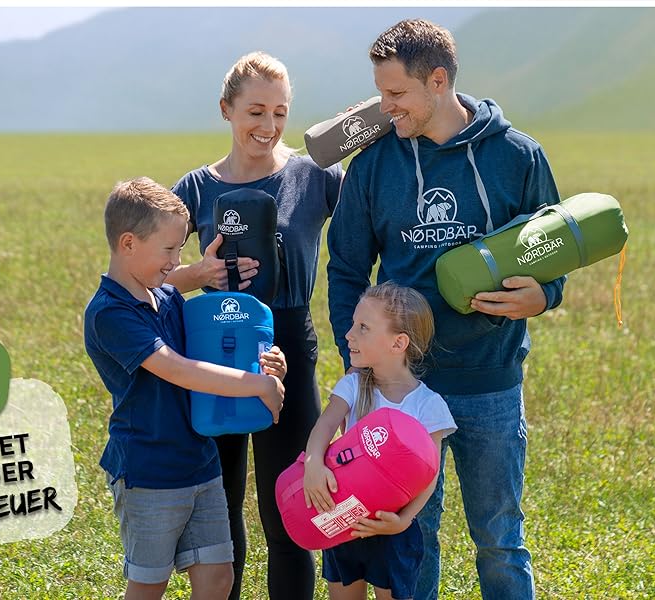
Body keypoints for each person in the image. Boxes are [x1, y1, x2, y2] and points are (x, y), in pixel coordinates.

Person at [326, 19, 564, 599]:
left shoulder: (518, 156)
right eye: (380, 93)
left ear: (438, 81)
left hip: (491, 385)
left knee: (500, 539)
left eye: (396, 94)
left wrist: (544, 296)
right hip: (403, 391)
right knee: (412, 538)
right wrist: (359, 363)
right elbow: (347, 271)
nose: (383, 108)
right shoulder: (374, 164)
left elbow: (554, 253)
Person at [168, 51, 344, 598]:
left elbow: (375, 219)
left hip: (289, 342)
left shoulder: (316, 176)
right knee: (221, 511)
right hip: (214, 347)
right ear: (226, 110)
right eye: (255, 112)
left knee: (289, 505)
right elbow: (146, 277)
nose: (268, 127)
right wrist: (199, 272)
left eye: (280, 113)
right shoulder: (195, 189)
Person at [83, 176, 287, 600]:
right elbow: (176, 369)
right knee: (148, 585)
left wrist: (267, 363)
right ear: (128, 244)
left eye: (179, 249)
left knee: (218, 579)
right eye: (169, 250)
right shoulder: (109, 314)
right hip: (149, 469)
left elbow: (215, 346)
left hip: (199, 462)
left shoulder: (166, 297)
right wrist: (255, 386)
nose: (175, 259)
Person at [301, 283, 457, 600]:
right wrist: (313, 462)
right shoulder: (354, 385)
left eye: (363, 328)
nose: (349, 335)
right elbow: (325, 425)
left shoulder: (429, 406)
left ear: (398, 343)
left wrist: (403, 521)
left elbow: (429, 476)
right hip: (343, 518)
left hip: (391, 529)